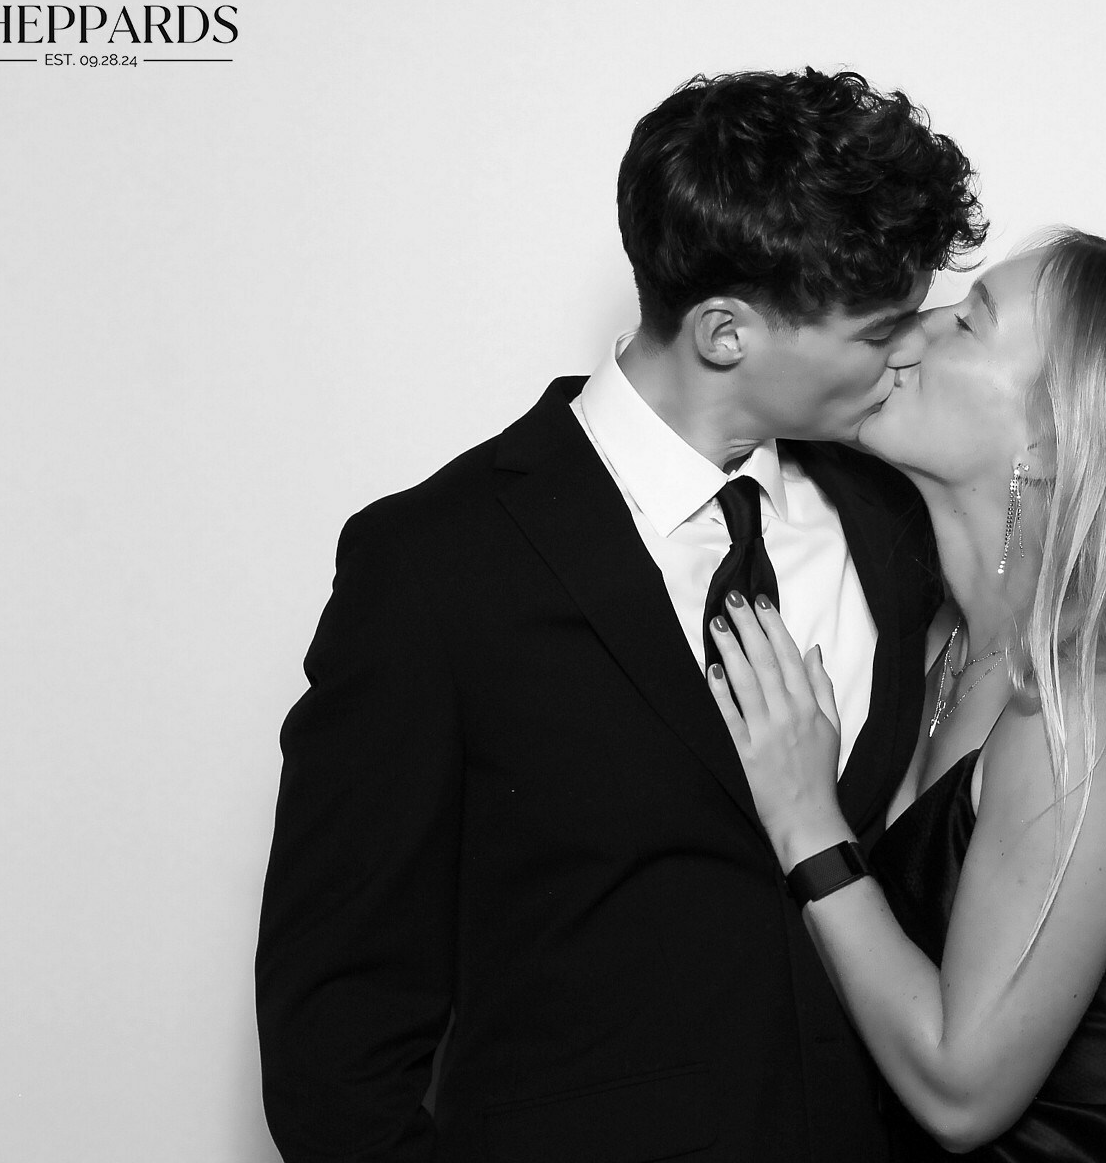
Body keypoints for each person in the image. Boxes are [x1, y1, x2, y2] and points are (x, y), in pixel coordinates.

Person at [255, 69, 986, 1163]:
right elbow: (336, 1038)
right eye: (880, 330)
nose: (912, 349)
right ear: (726, 333)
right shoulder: (437, 566)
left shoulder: (896, 519)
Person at [707, 231, 1106, 1162]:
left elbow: (962, 1092)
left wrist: (805, 821)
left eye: (968, 322)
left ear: (1049, 441)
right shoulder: (938, 650)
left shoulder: (1087, 713)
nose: (909, 330)